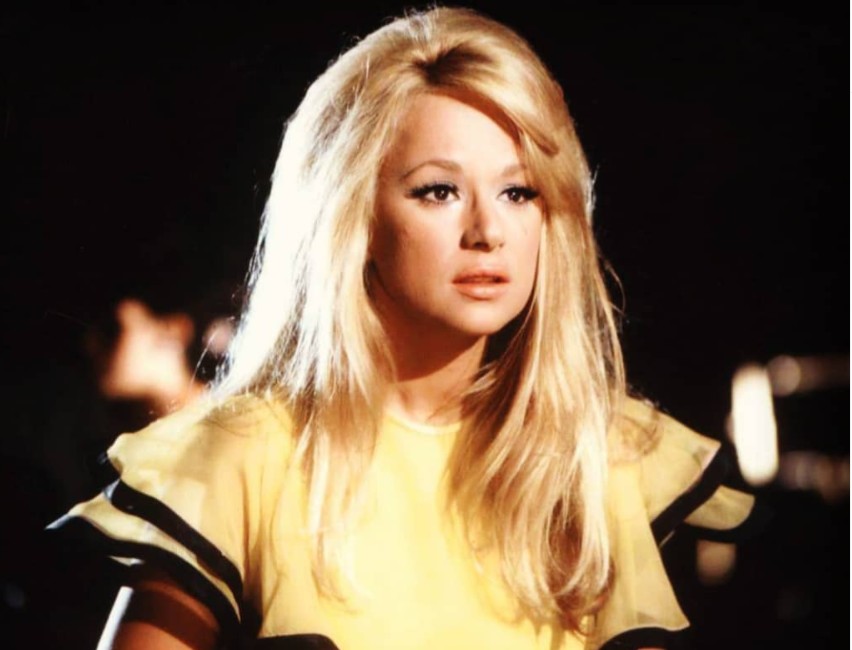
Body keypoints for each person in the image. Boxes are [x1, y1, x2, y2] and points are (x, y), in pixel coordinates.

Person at [48, 7, 760, 649]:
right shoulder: (247, 458)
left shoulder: (599, 456)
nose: (487, 231)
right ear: (353, 216)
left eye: (518, 192)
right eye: (438, 191)